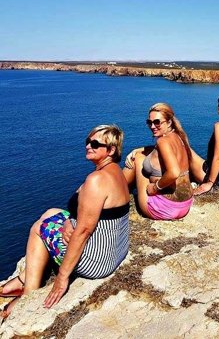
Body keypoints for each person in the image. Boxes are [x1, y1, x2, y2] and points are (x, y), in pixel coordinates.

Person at [0, 125, 130, 317]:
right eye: (88, 141)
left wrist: (62, 278)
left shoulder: (96, 180)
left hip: (95, 262)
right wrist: (70, 220)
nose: (88, 146)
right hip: (114, 251)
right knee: (51, 212)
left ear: (111, 150)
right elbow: (80, 202)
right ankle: (24, 278)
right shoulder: (114, 171)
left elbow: (84, 231)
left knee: (39, 227)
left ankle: (28, 292)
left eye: (95, 144)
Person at [123, 103, 194, 220]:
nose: (152, 126)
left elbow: (174, 172)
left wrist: (155, 188)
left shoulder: (162, 141)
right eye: (149, 122)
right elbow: (160, 150)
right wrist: (139, 149)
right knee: (139, 154)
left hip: (164, 207)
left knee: (137, 158)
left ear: (169, 122)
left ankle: (116, 191)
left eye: (157, 122)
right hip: (184, 206)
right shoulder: (179, 137)